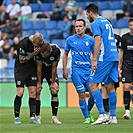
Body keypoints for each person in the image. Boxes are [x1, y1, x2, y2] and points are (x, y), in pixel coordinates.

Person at [85, 4, 119, 125]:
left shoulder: (95, 23)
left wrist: (94, 60)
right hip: (114, 56)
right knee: (110, 86)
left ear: (90, 13)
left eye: (86, 14)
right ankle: (113, 117)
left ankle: (102, 114)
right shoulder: (107, 22)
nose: (87, 16)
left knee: (92, 84)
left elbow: (98, 41)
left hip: (104, 57)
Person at [62, 18, 95, 124]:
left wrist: (95, 64)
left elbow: (95, 54)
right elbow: (65, 54)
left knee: (94, 95)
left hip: (89, 71)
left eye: (80, 26)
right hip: (76, 72)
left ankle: (88, 111)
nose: (78, 28)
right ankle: (86, 117)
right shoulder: (70, 40)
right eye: (76, 26)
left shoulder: (90, 40)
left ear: (85, 27)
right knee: (81, 94)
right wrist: (64, 69)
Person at [14, 32, 44, 124]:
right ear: (33, 41)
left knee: (33, 92)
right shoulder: (23, 44)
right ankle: (17, 117)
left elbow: (45, 47)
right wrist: (34, 53)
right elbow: (22, 60)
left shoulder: (39, 42)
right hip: (21, 69)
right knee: (20, 92)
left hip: (31, 69)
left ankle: (32, 118)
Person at [35, 42, 61, 124]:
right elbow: (39, 68)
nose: (43, 56)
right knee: (37, 91)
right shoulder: (39, 52)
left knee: (54, 91)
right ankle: (37, 116)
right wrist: (39, 83)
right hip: (40, 72)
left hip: (50, 72)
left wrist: (53, 82)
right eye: (42, 54)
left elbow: (54, 68)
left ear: (49, 51)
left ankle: (54, 117)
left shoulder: (56, 51)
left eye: (44, 55)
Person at [119, 18, 133, 119]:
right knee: (126, 87)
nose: (132, 27)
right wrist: (119, 66)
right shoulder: (124, 38)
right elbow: (121, 52)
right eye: (130, 25)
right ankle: (127, 111)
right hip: (127, 66)